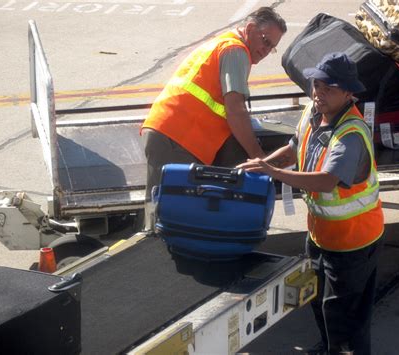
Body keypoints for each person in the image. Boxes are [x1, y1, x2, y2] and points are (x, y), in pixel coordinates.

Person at [237, 52, 384, 355]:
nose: (319, 92)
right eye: (317, 84)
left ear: (348, 92)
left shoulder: (350, 135)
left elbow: (327, 180)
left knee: (345, 321)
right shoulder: (313, 112)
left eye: (329, 88)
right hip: (321, 237)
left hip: (352, 244)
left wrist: (275, 174)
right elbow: (294, 148)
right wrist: (262, 163)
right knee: (321, 304)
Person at [141, 7, 287, 230]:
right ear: (249, 29)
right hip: (177, 138)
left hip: (170, 132)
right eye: (266, 41)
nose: (266, 50)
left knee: (161, 207)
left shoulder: (223, 44)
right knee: (169, 216)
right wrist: (259, 157)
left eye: (272, 47)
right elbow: (235, 109)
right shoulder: (236, 51)